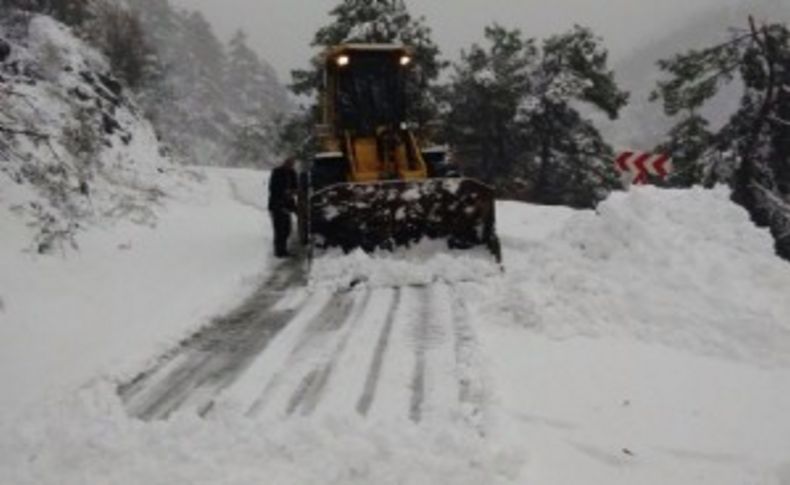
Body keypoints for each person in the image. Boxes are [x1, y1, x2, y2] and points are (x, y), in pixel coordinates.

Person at [268, 157, 298, 258]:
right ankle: (279, 252)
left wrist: (293, 192)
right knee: (279, 230)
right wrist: (284, 192)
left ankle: (283, 249)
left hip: (287, 205)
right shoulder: (277, 172)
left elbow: (296, 187)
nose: (290, 165)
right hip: (276, 205)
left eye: (292, 164)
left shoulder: (293, 173)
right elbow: (272, 188)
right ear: (284, 163)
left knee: (287, 229)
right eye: (288, 163)